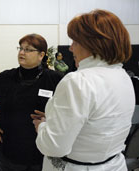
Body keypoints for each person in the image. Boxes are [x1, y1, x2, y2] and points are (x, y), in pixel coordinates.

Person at [32, 9, 135, 171]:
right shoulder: (122, 76)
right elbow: (97, 123)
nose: (71, 48)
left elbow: (54, 146)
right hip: (114, 164)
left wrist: (42, 126)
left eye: (75, 42)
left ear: (93, 44)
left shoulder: (78, 81)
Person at [0, 34, 63, 171]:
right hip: (8, 151)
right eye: (21, 48)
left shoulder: (55, 80)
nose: (22, 52)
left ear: (41, 55)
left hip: (40, 152)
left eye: (28, 50)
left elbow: (67, 111)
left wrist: (50, 119)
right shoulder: (5, 78)